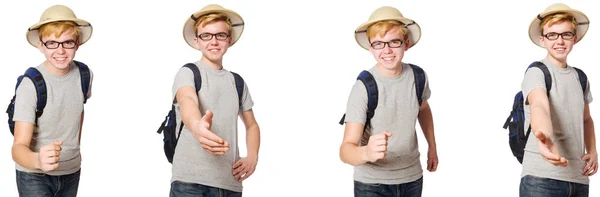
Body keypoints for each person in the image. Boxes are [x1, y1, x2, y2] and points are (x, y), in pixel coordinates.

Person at [339, 6, 438, 197]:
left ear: (405, 44)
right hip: (372, 184)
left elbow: (423, 108)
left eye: (394, 42)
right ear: (370, 47)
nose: (387, 50)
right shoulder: (364, 86)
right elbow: (345, 149)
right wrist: (366, 153)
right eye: (379, 44)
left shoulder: (418, 77)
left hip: (412, 178)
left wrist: (432, 147)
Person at [169, 4, 261, 197]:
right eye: (206, 35)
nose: (214, 42)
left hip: (230, 184)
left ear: (229, 39)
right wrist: (197, 126)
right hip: (190, 183)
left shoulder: (237, 82)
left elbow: (251, 125)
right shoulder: (188, 72)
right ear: (197, 41)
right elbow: (187, 101)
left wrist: (252, 156)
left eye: (220, 35)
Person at [11, 4, 94, 197]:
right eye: (52, 43)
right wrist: (38, 160)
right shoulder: (30, 84)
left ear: (78, 43)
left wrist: (73, 151)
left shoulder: (84, 75)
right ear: (41, 45)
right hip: (34, 175)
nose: (61, 50)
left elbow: (78, 111)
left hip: (71, 171)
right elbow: (18, 148)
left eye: (67, 42)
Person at [520, 3, 597, 197]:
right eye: (552, 35)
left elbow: (586, 119)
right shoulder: (536, 71)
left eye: (566, 34)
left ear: (575, 38)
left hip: (578, 179)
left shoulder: (580, 77)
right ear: (542, 39)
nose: (559, 41)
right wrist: (544, 139)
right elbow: (540, 106)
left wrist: (593, 151)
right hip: (541, 179)